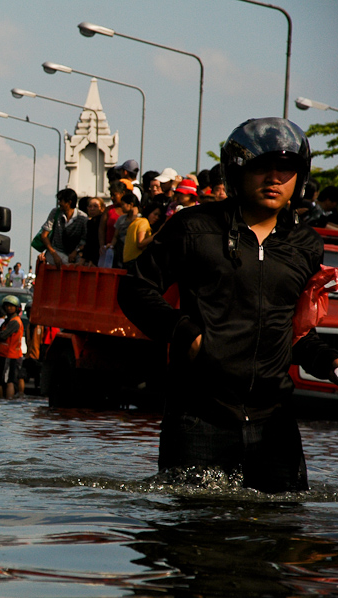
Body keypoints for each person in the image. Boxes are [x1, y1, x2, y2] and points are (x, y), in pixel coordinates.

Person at [118, 117, 338, 493]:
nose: (273, 179)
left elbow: (297, 332)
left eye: (285, 169)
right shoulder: (194, 228)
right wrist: (185, 333)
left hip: (275, 421)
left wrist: (330, 362)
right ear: (236, 172)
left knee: (282, 531)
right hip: (199, 417)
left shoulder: (306, 246)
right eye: (260, 168)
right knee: (195, 540)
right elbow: (135, 289)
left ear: (299, 177)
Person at [41, 188, 88, 267]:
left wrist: (75, 251)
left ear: (69, 202)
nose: (59, 203)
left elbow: (85, 239)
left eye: (61, 201)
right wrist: (54, 253)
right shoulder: (55, 213)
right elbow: (44, 235)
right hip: (57, 251)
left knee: (82, 263)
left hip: (75, 253)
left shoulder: (82, 218)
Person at [0, 295, 24, 399]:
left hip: (10, 355)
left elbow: (1, 335)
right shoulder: (7, 321)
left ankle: (7, 402)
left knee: (9, 381)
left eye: (12, 306)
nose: (9, 308)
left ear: (17, 308)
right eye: (7, 306)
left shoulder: (15, 322)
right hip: (3, 354)